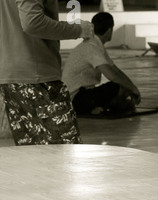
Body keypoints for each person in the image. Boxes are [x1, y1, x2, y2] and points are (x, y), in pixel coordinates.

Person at [0, 0, 94, 145]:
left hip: (11, 74)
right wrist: (78, 30)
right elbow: (33, 23)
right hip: (36, 76)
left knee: (31, 154)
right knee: (63, 149)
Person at [62, 12, 141, 116]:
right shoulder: (92, 47)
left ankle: (97, 108)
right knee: (115, 87)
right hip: (75, 99)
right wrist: (132, 89)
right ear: (109, 30)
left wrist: (132, 87)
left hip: (80, 95)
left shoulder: (95, 44)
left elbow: (116, 70)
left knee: (121, 87)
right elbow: (113, 76)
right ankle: (92, 108)